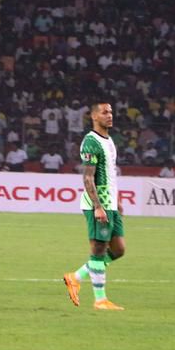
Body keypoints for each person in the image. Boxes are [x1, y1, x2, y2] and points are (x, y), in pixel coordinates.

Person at [62, 102, 125, 311]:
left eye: (111, 112)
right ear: (94, 116)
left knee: (118, 249)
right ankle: (100, 300)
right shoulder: (91, 142)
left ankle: (76, 277)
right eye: (105, 112)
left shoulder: (109, 140)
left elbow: (110, 173)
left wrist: (117, 200)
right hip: (98, 202)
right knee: (99, 250)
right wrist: (98, 206)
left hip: (110, 201)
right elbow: (88, 177)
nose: (110, 115)